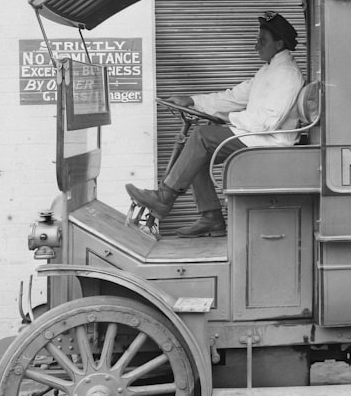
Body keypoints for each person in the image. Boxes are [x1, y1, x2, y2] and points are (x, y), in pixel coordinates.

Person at [126, 12, 304, 237]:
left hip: (270, 143)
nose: (256, 46)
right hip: (254, 137)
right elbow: (233, 97)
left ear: (279, 44)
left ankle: (164, 198)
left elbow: (265, 122)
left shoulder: (287, 75)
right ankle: (211, 218)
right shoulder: (269, 70)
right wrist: (192, 101)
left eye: (262, 41)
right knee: (197, 152)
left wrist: (228, 118)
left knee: (201, 136)